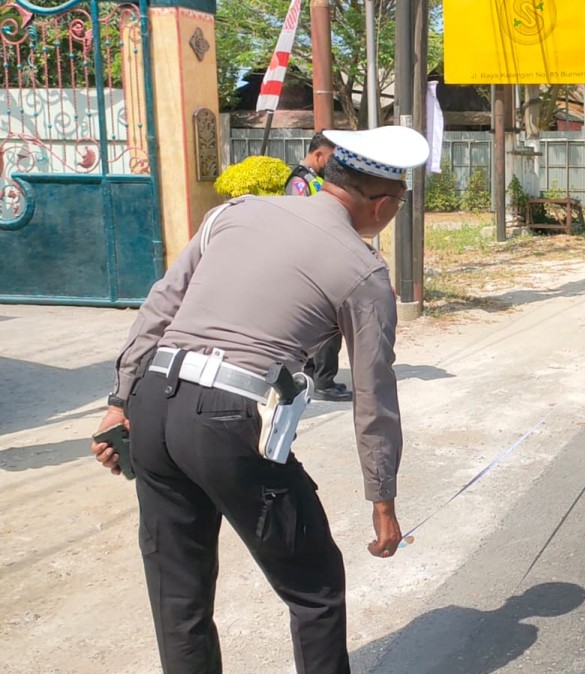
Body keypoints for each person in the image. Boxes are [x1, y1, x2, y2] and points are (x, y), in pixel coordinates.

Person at [89, 125, 430, 674]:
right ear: (385, 203)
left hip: (154, 401)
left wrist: (119, 401)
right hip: (225, 420)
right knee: (315, 588)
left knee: (179, 593)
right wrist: (383, 500)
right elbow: (374, 394)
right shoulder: (364, 270)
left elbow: (159, 307)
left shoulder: (235, 212)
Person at [285, 133, 352, 402]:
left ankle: (313, 377)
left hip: (316, 258)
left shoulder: (313, 180)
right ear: (320, 155)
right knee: (329, 324)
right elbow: (301, 220)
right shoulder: (300, 183)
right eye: (331, 156)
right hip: (313, 260)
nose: (332, 162)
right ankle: (323, 380)